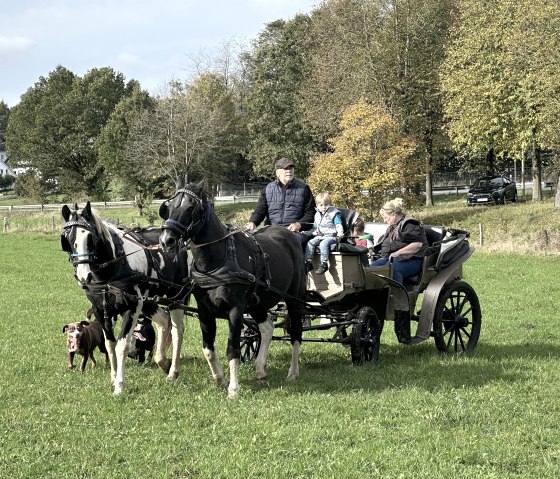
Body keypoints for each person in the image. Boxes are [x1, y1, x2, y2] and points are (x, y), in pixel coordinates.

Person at [369, 198, 428, 344]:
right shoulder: (392, 227)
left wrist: (398, 252)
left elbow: (417, 245)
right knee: (370, 269)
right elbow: (386, 249)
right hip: (395, 259)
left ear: (394, 214)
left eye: (386, 217)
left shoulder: (410, 225)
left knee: (393, 271)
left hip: (413, 261)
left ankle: (397, 301)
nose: (384, 221)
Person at [244, 157, 315, 247]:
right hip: (271, 229)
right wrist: (252, 222)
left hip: (295, 232)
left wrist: (299, 225)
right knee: (252, 242)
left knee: (286, 243)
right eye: (285, 169)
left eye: (291, 168)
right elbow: (260, 210)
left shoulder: (304, 188)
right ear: (277, 172)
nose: (289, 171)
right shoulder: (268, 189)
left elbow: (311, 212)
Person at [304, 193, 344, 274]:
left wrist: (340, 233)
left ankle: (324, 263)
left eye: (326, 204)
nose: (323, 207)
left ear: (330, 204)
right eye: (321, 205)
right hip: (320, 235)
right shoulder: (317, 214)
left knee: (323, 244)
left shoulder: (333, 214)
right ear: (317, 205)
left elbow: (338, 225)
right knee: (310, 243)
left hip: (332, 236)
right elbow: (315, 226)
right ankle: (308, 262)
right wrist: (308, 232)